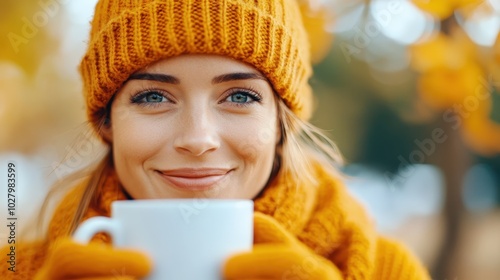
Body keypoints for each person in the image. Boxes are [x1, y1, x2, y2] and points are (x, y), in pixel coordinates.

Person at [1, 0, 431, 279]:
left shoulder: (388, 271)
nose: (197, 139)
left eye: (240, 96)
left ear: (282, 125)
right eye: (153, 96)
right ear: (108, 122)